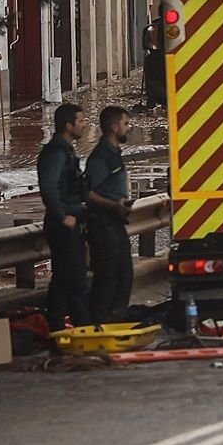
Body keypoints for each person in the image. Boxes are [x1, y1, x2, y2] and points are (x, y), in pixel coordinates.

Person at [37, 102, 91, 330]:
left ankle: (73, 327)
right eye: (80, 121)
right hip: (63, 224)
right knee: (67, 279)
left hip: (72, 219)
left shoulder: (67, 150)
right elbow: (48, 186)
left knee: (73, 278)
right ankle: (62, 329)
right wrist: (62, 216)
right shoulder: (56, 152)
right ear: (68, 126)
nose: (84, 124)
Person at [82, 105, 135, 324]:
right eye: (126, 124)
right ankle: (101, 322)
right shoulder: (101, 157)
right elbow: (87, 193)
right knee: (107, 277)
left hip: (115, 223)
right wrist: (113, 205)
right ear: (114, 127)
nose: (129, 128)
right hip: (103, 226)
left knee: (125, 274)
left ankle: (116, 318)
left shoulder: (114, 153)